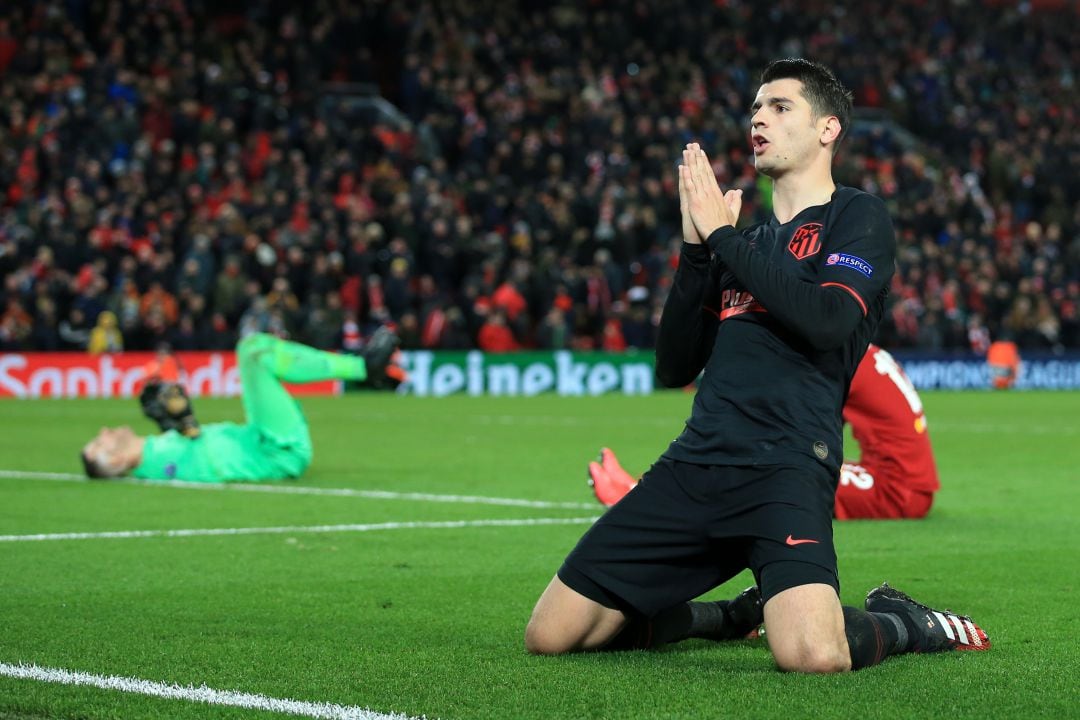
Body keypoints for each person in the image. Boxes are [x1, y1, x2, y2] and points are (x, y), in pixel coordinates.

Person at [524, 59, 988, 671]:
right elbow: (673, 365)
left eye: (779, 106)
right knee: (553, 635)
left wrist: (724, 239)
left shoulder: (856, 217)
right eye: (755, 109)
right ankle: (732, 615)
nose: (758, 119)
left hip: (787, 467)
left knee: (813, 656)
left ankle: (909, 622)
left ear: (828, 129)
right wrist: (697, 252)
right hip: (697, 462)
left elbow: (826, 320)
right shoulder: (744, 242)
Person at [589, 344, 939, 520]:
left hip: (896, 489)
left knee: (765, 477)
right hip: (894, 477)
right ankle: (641, 487)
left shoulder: (837, 359)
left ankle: (638, 496)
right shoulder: (860, 351)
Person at [80, 329, 404, 482]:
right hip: (275, 450)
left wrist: (173, 426)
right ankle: (363, 368)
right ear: (117, 460)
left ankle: (364, 369)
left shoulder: (157, 448)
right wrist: (187, 425)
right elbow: (208, 469)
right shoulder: (155, 464)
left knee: (256, 347)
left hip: (262, 437)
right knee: (251, 352)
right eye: (100, 443)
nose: (105, 431)